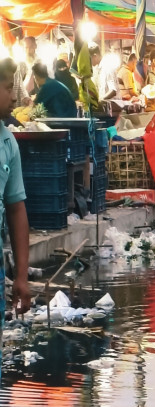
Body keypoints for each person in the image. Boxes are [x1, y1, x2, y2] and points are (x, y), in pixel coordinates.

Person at [0, 58, 32, 382]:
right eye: (9, 88)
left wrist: (21, 276)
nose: (14, 97)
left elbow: (17, 208)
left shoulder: (8, 143)